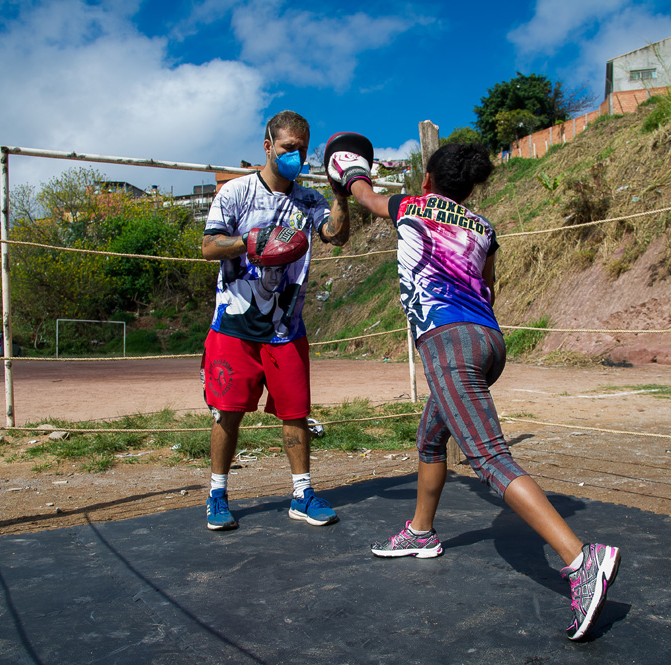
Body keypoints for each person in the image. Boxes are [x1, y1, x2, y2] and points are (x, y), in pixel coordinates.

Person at [331, 143, 620, 641]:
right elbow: (489, 285)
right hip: (488, 341)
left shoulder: (412, 206)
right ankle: (420, 533)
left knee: (488, 457)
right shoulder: (484, 227)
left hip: (448, 342)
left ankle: (580, 560)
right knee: (429, 438)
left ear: (427, 179)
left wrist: (347, 171)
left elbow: (367, 198)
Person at [200, 110, 350, 531]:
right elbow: (209, 247)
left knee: (295, 413)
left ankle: (302, 494)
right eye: (288, 149)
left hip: (286, 328)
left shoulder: (309, 200)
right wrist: (250, 243)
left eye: (302, 151)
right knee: (227, 412)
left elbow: (336, 235)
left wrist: (340, 194)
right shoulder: (234, 193)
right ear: (268, 147)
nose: (295, 158)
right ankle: (217, 494)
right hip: (234, 325)